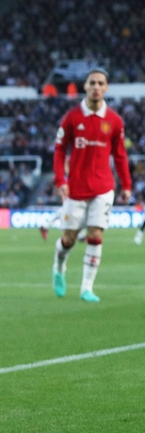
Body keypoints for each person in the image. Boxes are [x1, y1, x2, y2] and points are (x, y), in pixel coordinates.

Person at [51, 68, 132, 302]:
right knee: (69, 239)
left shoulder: (114, 121)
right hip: (75, 187)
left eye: (101, 83)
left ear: (106, 88)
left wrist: (126, 184)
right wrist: (60, 180)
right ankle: (59, 267)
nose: (96, 87)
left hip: (104, 186)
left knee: (96, 234)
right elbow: (58, 150)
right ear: (85, 86)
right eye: (92, 83)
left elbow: (120, 155)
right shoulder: (72, 118)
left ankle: (87, 288)